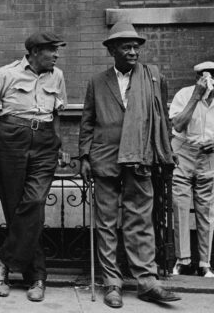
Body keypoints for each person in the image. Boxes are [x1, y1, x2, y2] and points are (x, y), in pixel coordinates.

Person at [78, 21, 180, 308]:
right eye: (126, 46)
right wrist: (85, 156)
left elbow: (161, 117)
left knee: (140, 220)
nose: (133, 51)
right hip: (105, 158)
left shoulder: (153, 78)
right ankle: (112, 283)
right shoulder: (97, 82)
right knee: (107, 223)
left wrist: (164, 151)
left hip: (140, 156)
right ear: (112, 50)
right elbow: (87, 121)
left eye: (136, 46)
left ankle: (147, 281)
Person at [0, 31, 67, 302]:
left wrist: (59, 145)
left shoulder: (57, 76)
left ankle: (3, 261)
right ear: (36, 51)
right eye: (52, 50)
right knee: (16, 209)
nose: (56, 55)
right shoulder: (7, 73)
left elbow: (57, 112)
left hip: (45, 141)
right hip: (11, 141)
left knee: (35, 202)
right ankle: (37, 276)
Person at [170, 60, 214, 278]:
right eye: (206, 76)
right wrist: (196, 97)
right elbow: (177, 125)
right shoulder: (184, 95)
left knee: (206, 210)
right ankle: (183, 260)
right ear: (198, 77)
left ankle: (205, 262)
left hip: (208, 156)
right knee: (180, 205)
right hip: (183, 152)